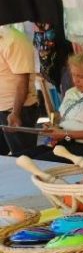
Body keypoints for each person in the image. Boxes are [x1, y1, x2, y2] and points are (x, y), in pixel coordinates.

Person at [0, 25, 40, 156]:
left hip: (16, 110)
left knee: (24, 158)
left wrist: (15, 113)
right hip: (2, 109)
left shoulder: (13, 39)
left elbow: (22, 81)